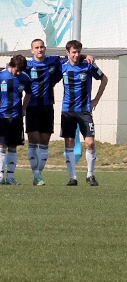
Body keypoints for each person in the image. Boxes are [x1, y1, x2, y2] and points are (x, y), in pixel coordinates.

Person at [24, 39, 91, 186]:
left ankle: (38, 175)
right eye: (37, 47)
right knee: (34, 140)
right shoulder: (27, 65)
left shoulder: (54, 61)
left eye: (42, 47)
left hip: (48, 106)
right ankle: (37, 176)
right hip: (32, 107)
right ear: (32, 50)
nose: (40, 49)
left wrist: (85, 56)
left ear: (45, 48)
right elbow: (12, 68)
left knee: (44, 141)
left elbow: (72, 56)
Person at [60, 40, 107, 186]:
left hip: (84, 110)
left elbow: (104, 79)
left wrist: (96, 100)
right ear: (67, 52)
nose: (76, 55)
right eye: (73, 52)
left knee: (90, 143)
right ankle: (73, 177)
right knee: (69, 143)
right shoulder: (61, 64)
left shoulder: (88, 65)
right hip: (67, 111)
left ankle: (90, 175)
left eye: (79, 52)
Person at [0, 54, 31, 185]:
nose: (18, 73)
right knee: (1, 146)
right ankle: (0, 176)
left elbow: (29, 93)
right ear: (11, 65)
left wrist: (23, 108)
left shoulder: (24, 77)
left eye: (20, 71)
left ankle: (11, 177)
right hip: (2, 116)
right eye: (17, 70)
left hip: (16, 116)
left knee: (13, 146)